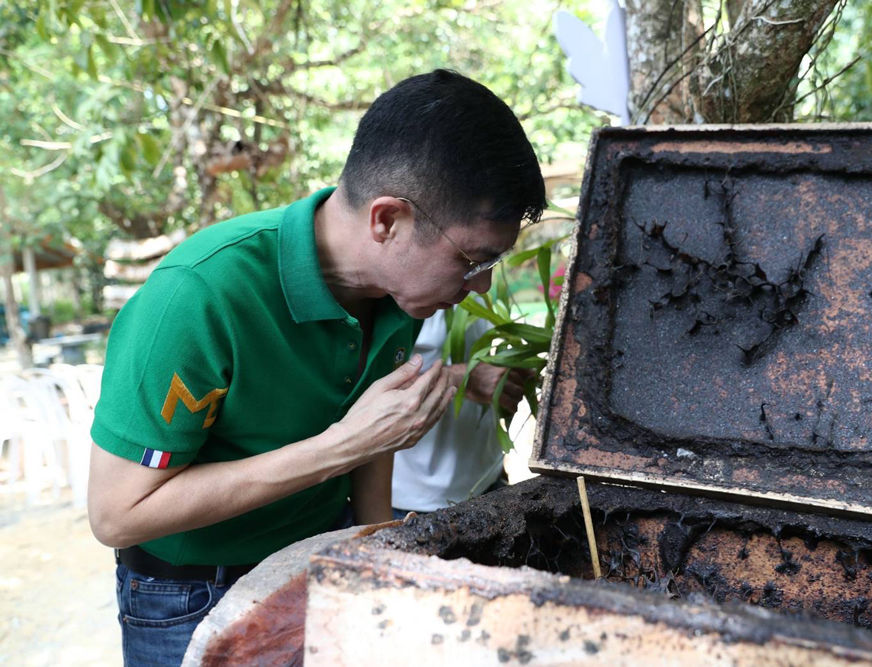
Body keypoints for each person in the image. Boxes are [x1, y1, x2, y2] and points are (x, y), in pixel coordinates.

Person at [86, 69, 546, 666]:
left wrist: (384, 552)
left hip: (323, 554)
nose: (479, 284)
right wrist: (340, 446)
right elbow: (117, 512)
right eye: (470, 260)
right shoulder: (199, 298)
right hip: (191, 587)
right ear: (387, 221)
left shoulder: (395, 291)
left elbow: (374, 435)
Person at [391, 310, 532, 516]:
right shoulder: (395, 299)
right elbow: (373, 387)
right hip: (420, 498)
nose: (483, 283)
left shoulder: (473, 286)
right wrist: (463, 378)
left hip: (486, 480)